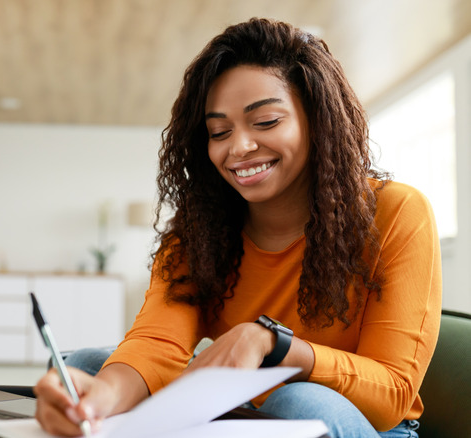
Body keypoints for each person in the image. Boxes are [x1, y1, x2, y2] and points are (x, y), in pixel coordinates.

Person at [33, 17, 442, 438]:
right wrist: (96, 401)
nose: (239, 148)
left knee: (298, 400)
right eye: (219, 131)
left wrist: (274, 345)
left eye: (265, 122)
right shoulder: (200, 230)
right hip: (246, 415)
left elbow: (393, 394)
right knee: (83, 367)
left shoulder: (397, 212)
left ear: (318, 122)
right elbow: (157, 343)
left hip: (364, 423)